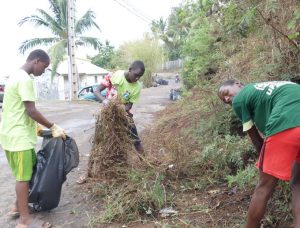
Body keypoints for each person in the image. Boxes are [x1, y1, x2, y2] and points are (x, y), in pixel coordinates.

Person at [218, 80, 300, 228]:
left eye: (225, 93)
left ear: (238, 84)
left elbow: (256, 140)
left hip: (285, 125)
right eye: (224, 100)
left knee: (263, 187)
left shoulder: (240, 98)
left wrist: (268, 165)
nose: (227, 99)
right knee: (297, 182)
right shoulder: (272, 87)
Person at [0, 49, 66, 228]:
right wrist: (52, 126)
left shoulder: (15, 76)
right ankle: (25, 220)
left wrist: (35, 127)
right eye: (44, 67)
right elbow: (31, 110)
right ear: (36, 61)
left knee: (28, 173)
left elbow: (17, 108)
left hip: (14, 135)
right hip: (18, 137)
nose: (43, 71)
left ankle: (16, 207)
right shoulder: (24, 79)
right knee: (23, 178)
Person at [94, 60, 145, 154]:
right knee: (101, 140)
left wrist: (119, 109)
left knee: (136, 141)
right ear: (130, 70)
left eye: (140, 76)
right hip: (107, 113)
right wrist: (105, 101)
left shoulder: (137, 87)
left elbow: (129, 106)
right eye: (136, 75)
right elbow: (96, 91)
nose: (137, 78)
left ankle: (146, 163)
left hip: (124, 114)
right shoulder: (115, 75)